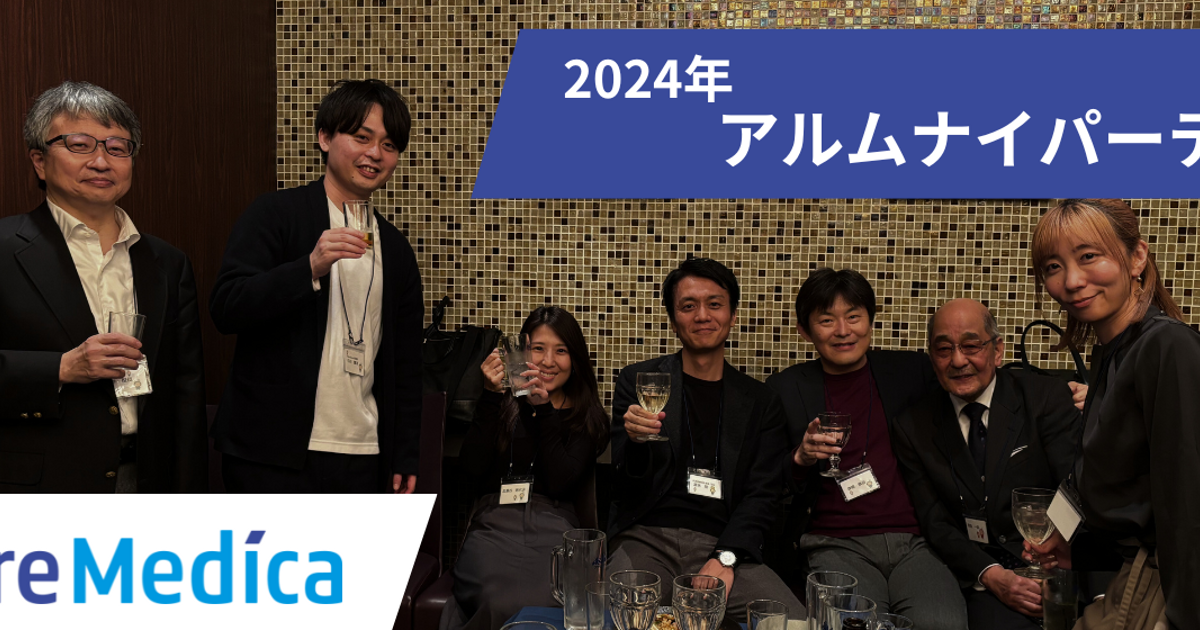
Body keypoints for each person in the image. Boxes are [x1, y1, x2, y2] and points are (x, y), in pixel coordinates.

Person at [209, 79, 423, 493]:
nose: (375, 154)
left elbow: (407, 364)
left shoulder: (396, 250)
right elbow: (226, 307)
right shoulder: (275, 213)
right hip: (270, 452)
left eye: (389, 145)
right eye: (362, 137)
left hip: (362, 452)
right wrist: (308, 267)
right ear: (325, 138)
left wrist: (406, 451)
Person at [0, 81, 206, 492]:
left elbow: (187, 393)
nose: (100, 161)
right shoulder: (5, 249)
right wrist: (61, 369)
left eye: (117, 148)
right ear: (39, 161)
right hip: (38, 485)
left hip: (146, 481)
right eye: (79, 145)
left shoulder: (167, 262)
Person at [1025, 199, 1199, 630]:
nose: (1071, 281)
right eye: (1053, 266)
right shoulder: (1113, 353)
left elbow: (1188, 504)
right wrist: (1076, 550)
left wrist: (1184, 617)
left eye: (1089, 256)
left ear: (1137, 257)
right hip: (1131, 575)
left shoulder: (1167, 347)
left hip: (1165, 588)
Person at [766, 268, 966, 630]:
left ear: (870, 321)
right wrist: (800, 457)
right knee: (854, 624)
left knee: (943, 623)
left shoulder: (911, 373)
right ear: (805, 331)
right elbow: (767, 479)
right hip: (835, 542)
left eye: (854, 316)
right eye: (827, 320)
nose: (843, 331)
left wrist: (1063, 392)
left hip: (915, 542)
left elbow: (977, 377)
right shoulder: (786, 388)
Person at [609, 257, 803, 620]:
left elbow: (763, 494)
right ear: (673, 319)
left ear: (732, 315)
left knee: (792, 622)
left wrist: (725, 557)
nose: (702, 316)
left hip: (724, 542)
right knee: (622, 615)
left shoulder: (760, 402)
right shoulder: (641, 381)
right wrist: (635, 443)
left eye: (714, 304)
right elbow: (624, 483)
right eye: (688, 306)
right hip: (646, 537)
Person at [889, 298, 1079, 629]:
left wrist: (1056, 554)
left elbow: (1076, 486)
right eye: (944, 349)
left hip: (1059, 563)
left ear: (997, 350)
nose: (958, 360)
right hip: (985, 574)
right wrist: (990, 575)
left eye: (971, 346)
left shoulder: (1045, 398)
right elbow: (935, 522)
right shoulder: (913, 426)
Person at [440, 306, 609, 630]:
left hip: (555, 531)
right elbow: (472, 469)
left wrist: (543, 410)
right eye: (538, 348)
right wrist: (490, 396)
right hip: (493, 527)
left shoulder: (586, 417)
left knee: (545, 600)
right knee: (496, 599)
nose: (548, 361)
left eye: (561, 351)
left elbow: (560, 482)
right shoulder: (502, 403)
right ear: (521, 353)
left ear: (575, 359)